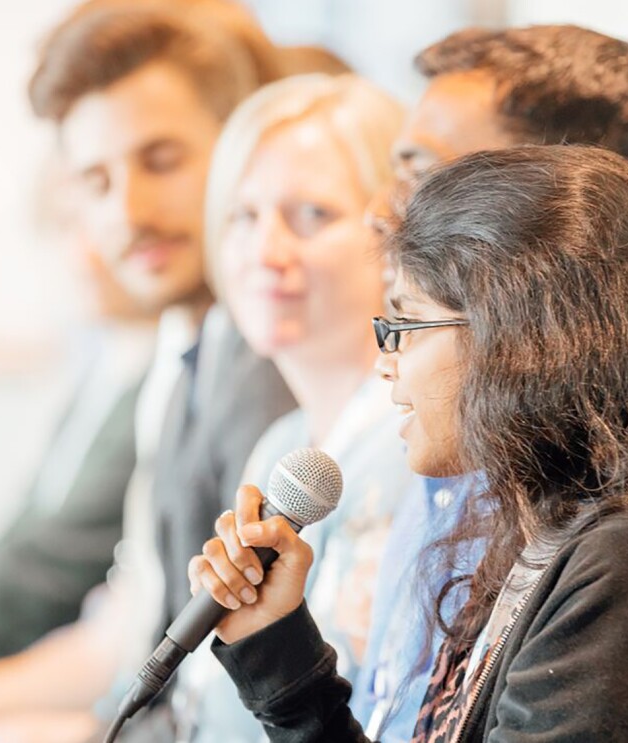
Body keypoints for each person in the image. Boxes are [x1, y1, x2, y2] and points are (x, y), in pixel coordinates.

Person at [190, 145, 628, 741]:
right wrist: (275, 644)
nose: (386, 360)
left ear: (521, 343)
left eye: (408, 323)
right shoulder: (548, 534)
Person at [0, 3, 302, 741]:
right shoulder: (184, 352)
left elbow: (219, 694)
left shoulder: (264, 366)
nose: (128, 211)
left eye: (162, 161)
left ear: (242, 148)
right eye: (94, 180)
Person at [353, 24, 628, 739]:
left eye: (428, 178)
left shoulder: (622, 563)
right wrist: (281, 665)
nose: (381, 210)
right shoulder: (514, 501)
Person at [178, 72, 412, 742]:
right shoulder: (285, 442)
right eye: (244, 216)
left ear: (400, 235)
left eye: (312, 214)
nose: (266, 252)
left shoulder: (418, 449)